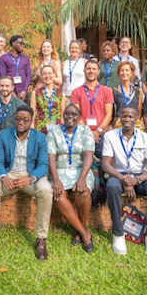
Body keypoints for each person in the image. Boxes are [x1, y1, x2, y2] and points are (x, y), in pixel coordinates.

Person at [0, 106, 52, 260]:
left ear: (31, 121)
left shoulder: (40, 137)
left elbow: (43, 164)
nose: (21, 122)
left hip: (30, 176)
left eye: (25, 120)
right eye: (18, 119)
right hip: (9, 174)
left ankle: (41, 239)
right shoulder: (5, 135)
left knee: (46, 190)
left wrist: (31, 178)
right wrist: (3, 177)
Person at [102, 106, 147, 258]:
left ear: (137, 119)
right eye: (124, 116)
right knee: (112, 188)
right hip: (118, 175)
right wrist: (123, 179)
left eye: (131, 116)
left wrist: (137, 180)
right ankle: (118, 234)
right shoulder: (110, 136)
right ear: (119, 117)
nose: (127, 119)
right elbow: (106, 164)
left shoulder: (145, 138)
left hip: (139, 177)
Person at [47, 105, 95, 252]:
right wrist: (55, 180)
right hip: (59, 170)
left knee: (83, 191)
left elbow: (88, 155)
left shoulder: (85, 130)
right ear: (62, 115)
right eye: (67, 113)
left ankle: (80, 231)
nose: (70, 116)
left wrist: (82, 178)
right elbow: (51, 157)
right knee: (59, 195)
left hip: (81, 169)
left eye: (74, 114)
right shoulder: (54, 131)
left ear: (79, 117)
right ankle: (84, 233)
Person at [70, 60, 114, 147]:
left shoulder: (107, 91)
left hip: (101, 134)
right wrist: (89, 133)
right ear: (84, 71)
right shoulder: (76, 92)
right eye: (88, 69)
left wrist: (98, 132)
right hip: (82, 134)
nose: (91, 71)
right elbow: (76, 115)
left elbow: (108, 115)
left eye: (94, 69)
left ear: (98, 72)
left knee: (105, 158)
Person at [0, 76, 26, 142]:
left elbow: (23, 127)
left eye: (7, 86)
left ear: (12, 88)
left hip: (15, 139)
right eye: (2, 86)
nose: (4, 88)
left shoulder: (21, 105)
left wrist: (4, 136)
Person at [31, 65, 65, 134]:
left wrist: (64, 131)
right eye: (44, 73)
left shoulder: (61, 94)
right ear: (41, 75)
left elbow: (62, 115)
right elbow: (33, 114)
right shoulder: (35, 93)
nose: (47, 76)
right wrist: (32, 130)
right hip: (39, 129)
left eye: (50, 73)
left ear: (54, 74)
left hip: (57, 129)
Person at [0, 35, 32, 101]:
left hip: (22, 91)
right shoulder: (4, 58)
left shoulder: (25, 59)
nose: (22, 46)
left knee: (23, 110)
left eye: (23, 44)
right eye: (20, 43)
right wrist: (11, 91)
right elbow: (3, 76)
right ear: (13, 44)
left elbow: (28, 75)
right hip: (9, 91)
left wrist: (24, 91)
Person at [112, 61, 142, 128]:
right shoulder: (114, 91)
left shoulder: (138, 91)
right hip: (119, 123)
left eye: (127, 70)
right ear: (118, 73)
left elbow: (139, 111)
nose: (124, 73)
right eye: (122, 70)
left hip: (134, 123)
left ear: (131, 73)